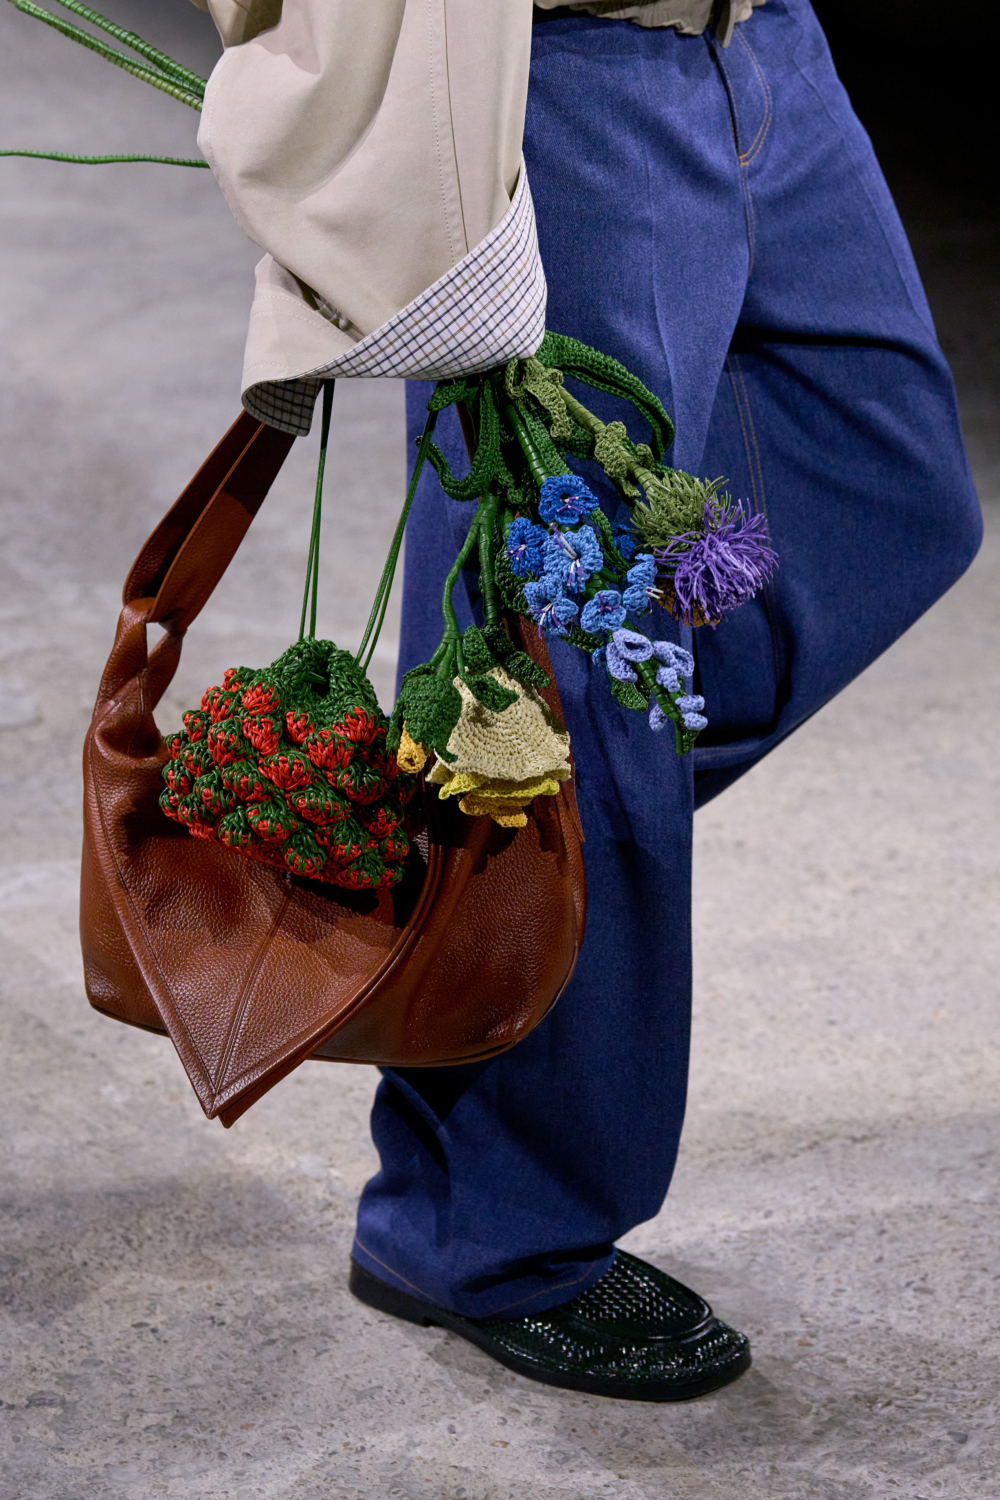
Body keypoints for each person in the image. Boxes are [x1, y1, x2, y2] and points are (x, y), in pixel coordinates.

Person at [190, 0, 981, 1400]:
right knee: (573, 692)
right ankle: (485, 1229)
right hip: (558, 75)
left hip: (762, 41)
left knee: (888, 488)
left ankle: (473, 877)